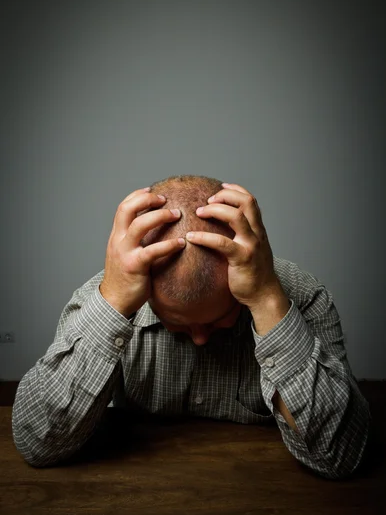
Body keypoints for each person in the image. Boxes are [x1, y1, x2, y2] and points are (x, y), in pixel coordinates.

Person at [12, 175, 371, 478]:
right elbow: (37, 441)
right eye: (177, 324)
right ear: (149, 296)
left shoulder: (301, 297)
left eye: (218, 320)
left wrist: (265, 301)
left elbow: (340, 455)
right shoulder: (107, 298)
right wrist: (115, 303)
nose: (200, 339)